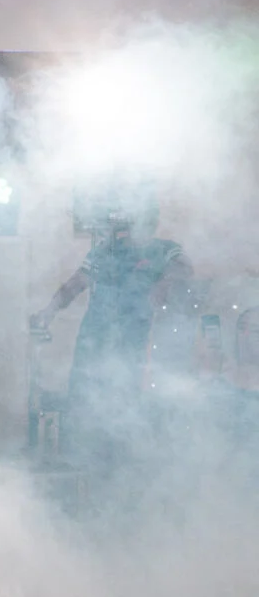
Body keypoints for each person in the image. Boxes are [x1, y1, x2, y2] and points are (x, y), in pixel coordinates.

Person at [32, 196, 192, 490]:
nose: (129, 230)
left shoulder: (164, 249)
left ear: (150, 223)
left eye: (138, 222)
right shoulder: (104, 252)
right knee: (86, 403)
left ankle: (132, 477)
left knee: (132, 409)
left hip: (140, 345)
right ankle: (84, 471)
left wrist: (162, 286)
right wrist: (48, 311)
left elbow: (182, 268)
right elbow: (74, 284)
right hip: (96, 341)